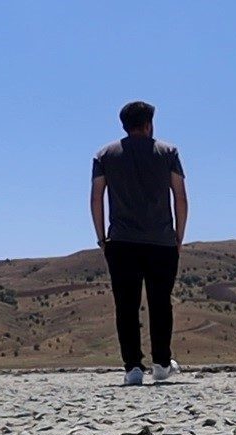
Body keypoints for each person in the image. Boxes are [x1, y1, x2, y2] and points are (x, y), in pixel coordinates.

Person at [91, 100, 188, 386]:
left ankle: (133, 367)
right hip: (161, 241)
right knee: (160, 303)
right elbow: (180, 196)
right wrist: (179, 235)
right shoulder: (168, 152)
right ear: (149, 125)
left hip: (121, 241)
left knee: (126, 304)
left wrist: (101, 237)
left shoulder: (105, 155)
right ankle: (160, 363)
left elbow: (96, 197)